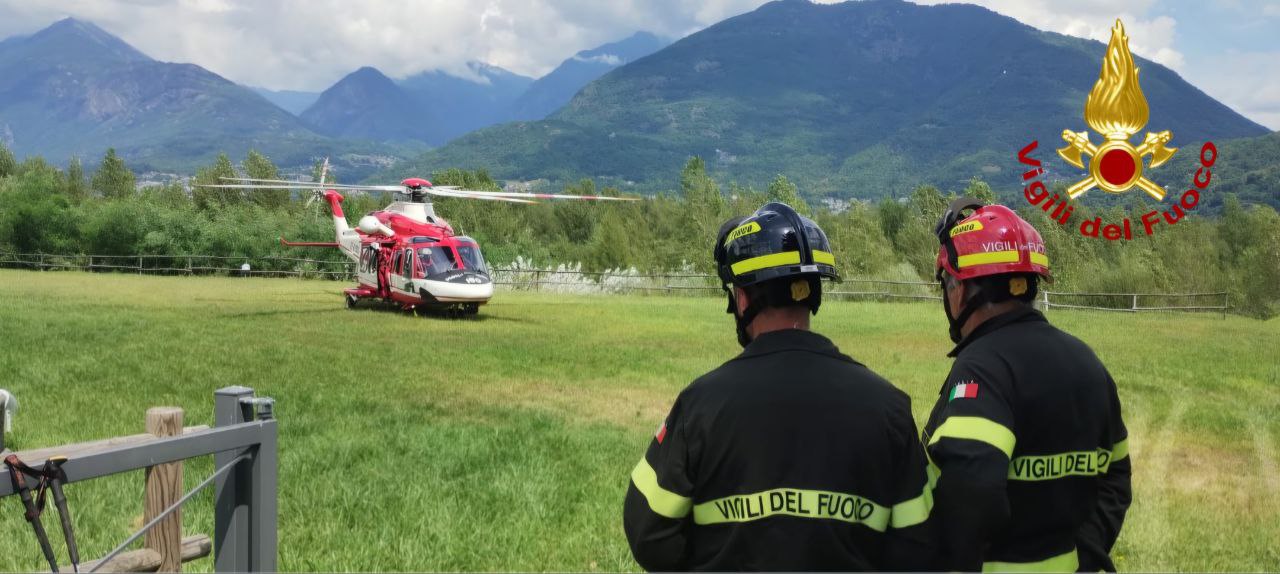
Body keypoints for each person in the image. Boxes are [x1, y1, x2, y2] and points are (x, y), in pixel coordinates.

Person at [623, 202, 933, 571]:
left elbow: (648, 533)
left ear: (741, 299)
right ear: (812, 293)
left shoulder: (701, 405)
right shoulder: (889, 408)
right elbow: (919, 544)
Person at [923, 198, 1131, 572]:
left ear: (960, 290)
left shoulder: (981, 369)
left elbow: (973, 490)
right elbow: (1116, 474)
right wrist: (1082, 556)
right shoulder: (1087, 362)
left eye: (948, 283)